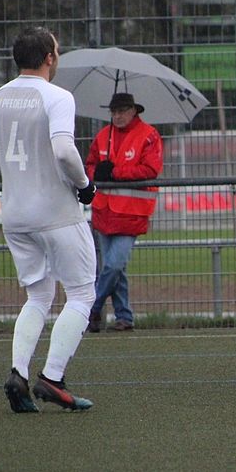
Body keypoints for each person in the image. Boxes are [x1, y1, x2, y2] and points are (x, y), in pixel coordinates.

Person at [0, 26, 97, 412]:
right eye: (57, 51)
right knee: (82, 293)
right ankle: (53, 378)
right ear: (49, 58)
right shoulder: (57, 96)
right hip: (55, 212)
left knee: (38, 296)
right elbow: (64, 151)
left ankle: (18, 374)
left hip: (15, 215)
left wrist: (16, 173)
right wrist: (84, 185)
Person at [85, 93, 163, 332]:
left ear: (133, 111)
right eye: (114, 112)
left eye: (121, 111)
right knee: (115, 268)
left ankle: (91, 308)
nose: (117, 116)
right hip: (104, 210)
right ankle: (124, 316)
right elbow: (90, 165)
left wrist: (114, 172)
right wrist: (96, 173)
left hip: (131, 212)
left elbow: (150, 169)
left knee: (114, 265)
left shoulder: (148, 135)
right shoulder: (103, 136)